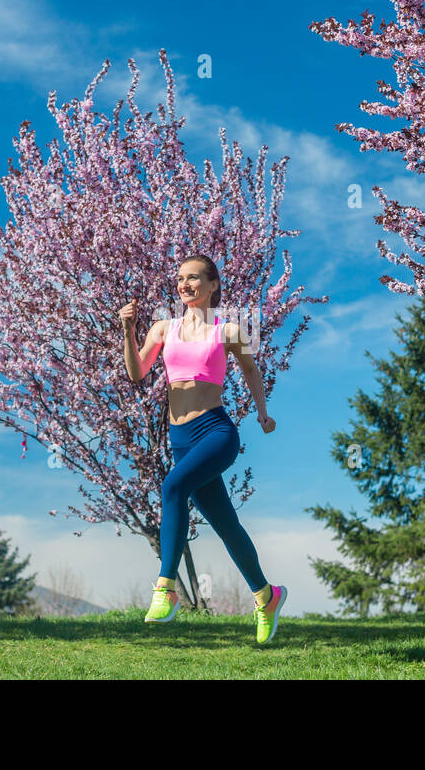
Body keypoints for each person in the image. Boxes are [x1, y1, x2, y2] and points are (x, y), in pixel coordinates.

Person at [119, 254, 287, 644]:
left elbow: (250, 370)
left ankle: (165, 588)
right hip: (181, 439)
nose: (184, 284)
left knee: (173, 488)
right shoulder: (164, 329)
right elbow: (136, 372)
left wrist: (263, 413)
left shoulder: (228, 331)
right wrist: (128, 330)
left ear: (213, 285)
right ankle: (266, 596)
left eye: (194, 278)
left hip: (216, 433)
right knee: (226, 524)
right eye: (180, 279)